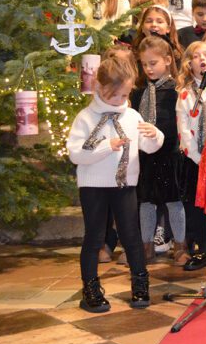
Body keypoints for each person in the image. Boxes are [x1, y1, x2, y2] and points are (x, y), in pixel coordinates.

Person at [67, 57, 163, 313]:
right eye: (115, 96)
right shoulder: (86, 118)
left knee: (132, 235)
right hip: (93, 187)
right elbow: (76, 154)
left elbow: (149, 146)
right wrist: (106, 146)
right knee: (94, 237)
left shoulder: (131, 116)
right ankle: (91, 288)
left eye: (125, 95)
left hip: (125, 186)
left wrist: (156, 136)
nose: (121, 100)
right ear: (100, 87)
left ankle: (140, 283)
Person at [131, 35, 186, 266]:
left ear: (167, 60)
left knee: (174, 200)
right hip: (145, 155)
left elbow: (178, 122)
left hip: (170, 154)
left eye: (153, 63)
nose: (148, 68)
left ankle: (181, 246)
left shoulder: (176, 90)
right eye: (144, 64)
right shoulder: (138, 92)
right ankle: (146, 246)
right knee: (146, 201)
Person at [175, 41, 206, 271]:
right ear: (189, 64)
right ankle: (201, 247)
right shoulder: (185, 95)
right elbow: (184, 129)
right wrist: (198, 158)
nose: (202, 59)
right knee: (195, 206)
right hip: (195, 159)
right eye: (197, 56)